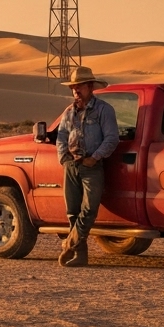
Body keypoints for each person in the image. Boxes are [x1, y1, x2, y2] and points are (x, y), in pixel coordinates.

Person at [55, 66, 119, 267]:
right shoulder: (69, 112)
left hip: (92, 166)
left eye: (79, 86)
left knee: (89, 209)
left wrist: (96, 157)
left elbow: (111, 138)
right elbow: (61, 137)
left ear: (90, 86)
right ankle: (80, 256)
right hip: (72, 166)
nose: (75, 90)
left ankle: (69, 245)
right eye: (73, 87)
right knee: (72, 211)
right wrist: (64, 158)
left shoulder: (103, 110)